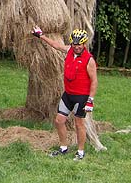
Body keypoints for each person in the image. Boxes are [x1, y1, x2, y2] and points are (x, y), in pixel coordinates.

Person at [32, 26, 97, 161]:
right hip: (68, 94)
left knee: (79, 123)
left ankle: (80, 152)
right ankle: (63, 148)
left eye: (79, 44)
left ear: (84, 44)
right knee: (59, 120)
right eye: (74, 44)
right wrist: (41, 35)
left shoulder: (89, 60)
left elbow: (94, 81)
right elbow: (55, 45)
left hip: (81, 97)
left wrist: (90, 99)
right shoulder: (69, 50)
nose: (77, 47)